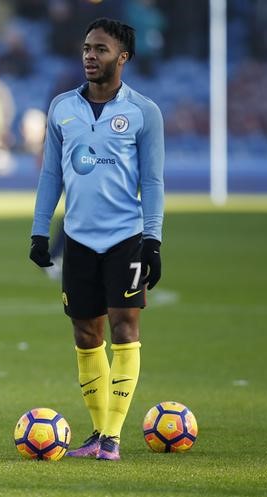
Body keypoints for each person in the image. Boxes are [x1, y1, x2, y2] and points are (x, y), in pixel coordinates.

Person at [29, 18, 164, 461]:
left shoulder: (144, 112)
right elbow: (51, 176)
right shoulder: (62, 108)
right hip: (79, 240)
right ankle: (97, 434)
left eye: (101, 49)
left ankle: (111, 438)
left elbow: (154, 181)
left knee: (125, 329)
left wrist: (153, 240)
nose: (90, 55)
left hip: (125, 238)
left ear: (122, 57)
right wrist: (38, 230)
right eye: (87, 48)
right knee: (87, 334)